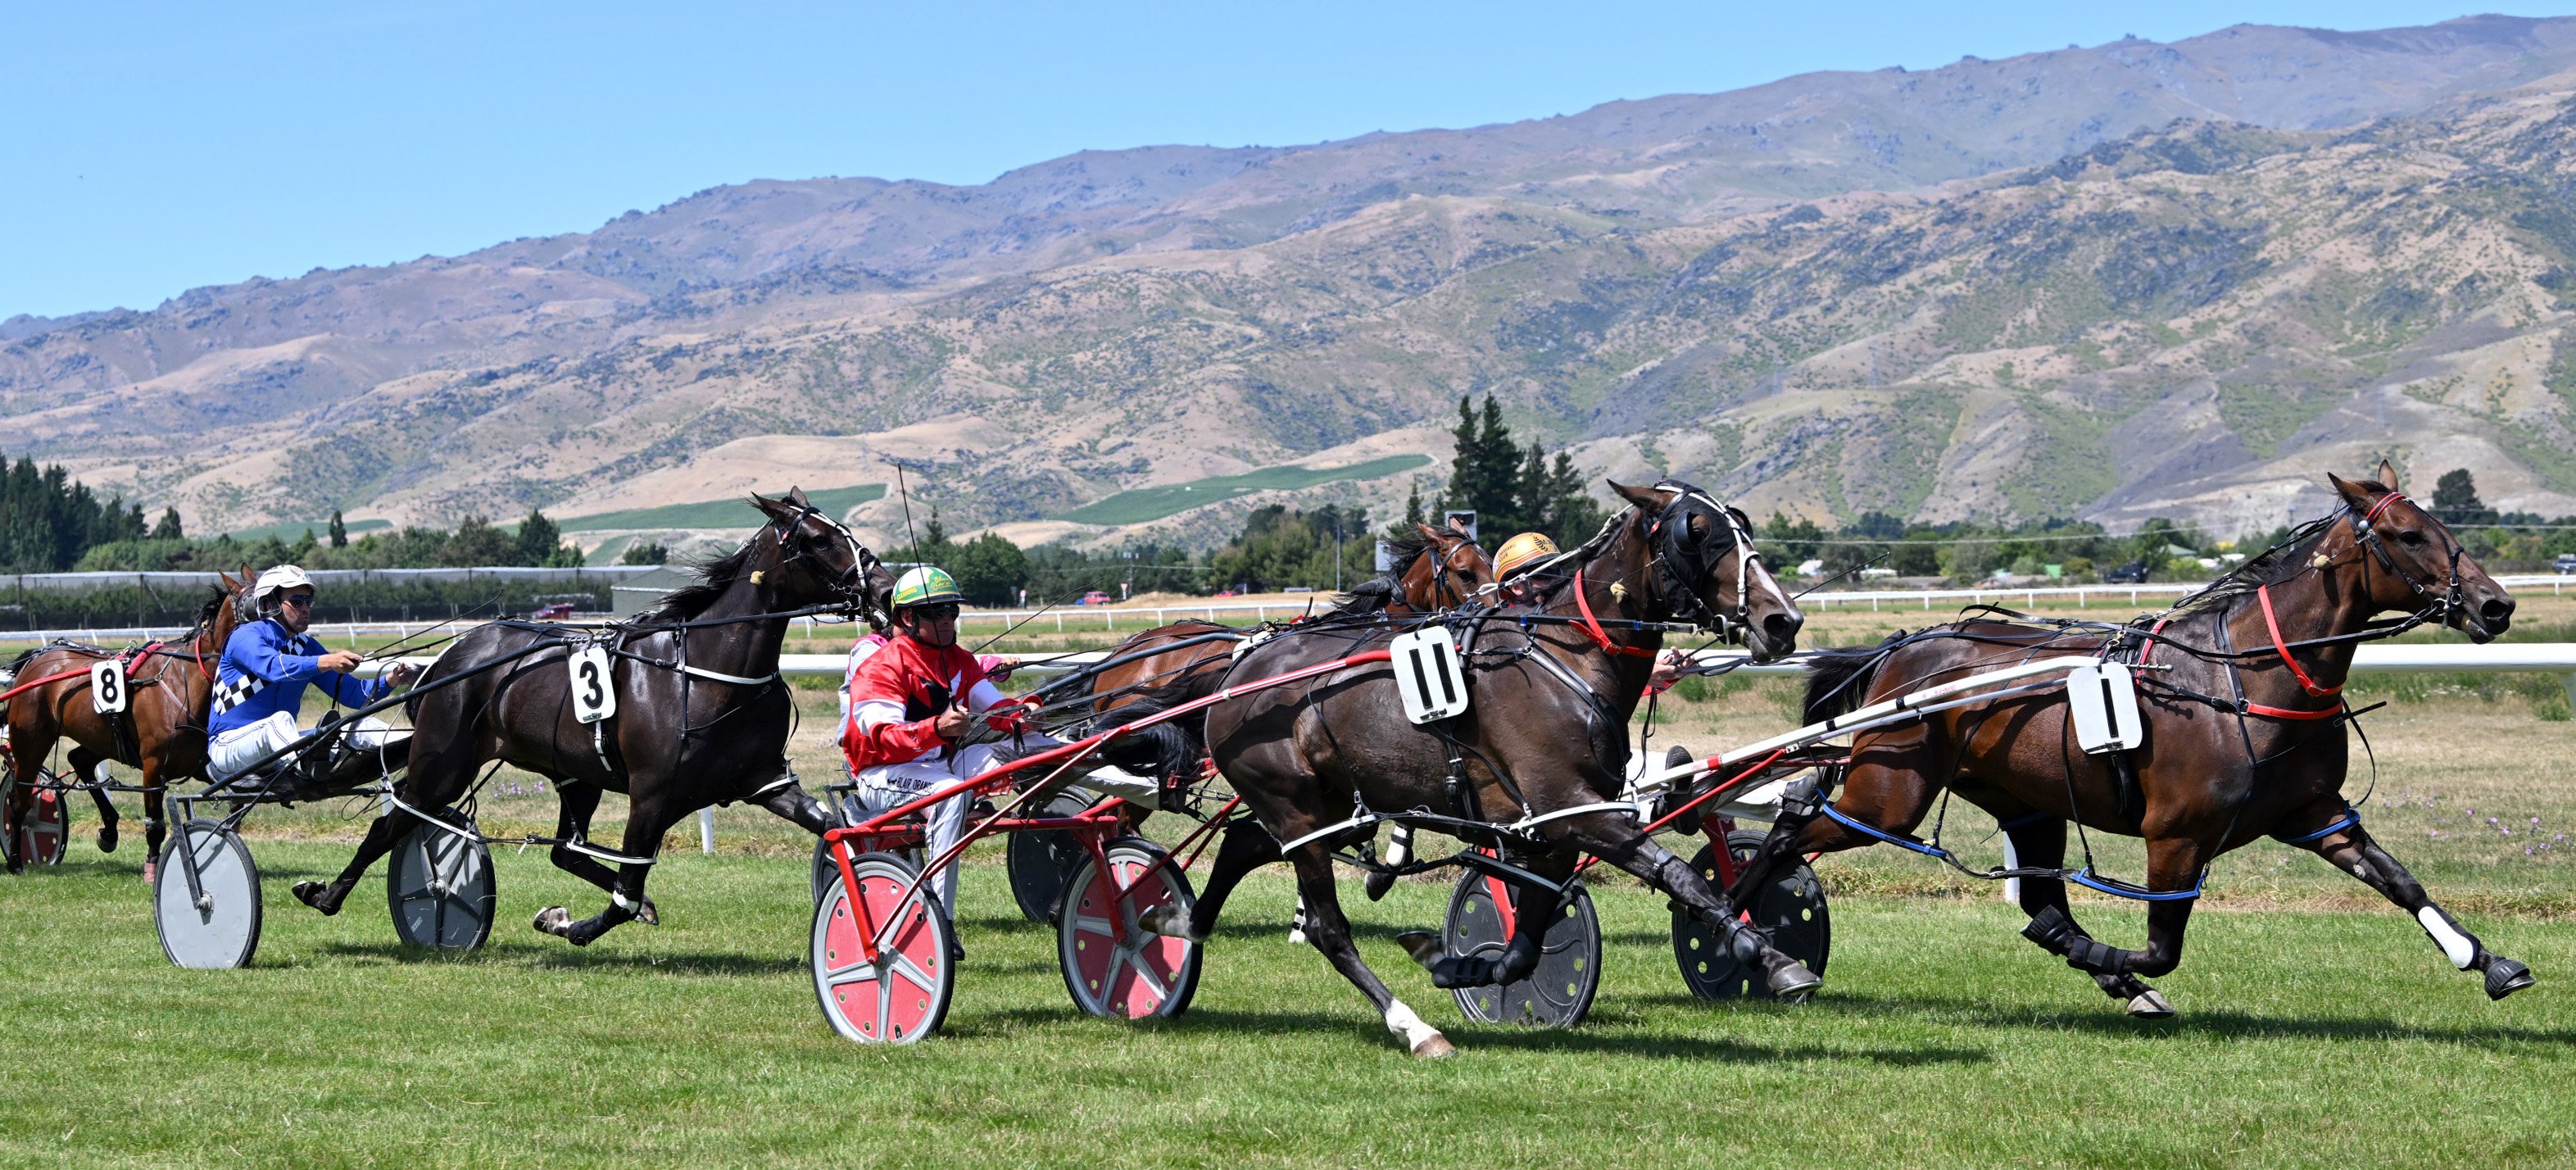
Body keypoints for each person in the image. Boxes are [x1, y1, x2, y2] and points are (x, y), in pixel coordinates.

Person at [841, 566, 1153, 918]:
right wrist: (937, 730)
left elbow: (997, 711)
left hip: (943, 766)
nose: (947, 619)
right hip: (882, 774)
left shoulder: (960, 660)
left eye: (952, 610)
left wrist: (1025, 714)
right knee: (952, 793)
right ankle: (939, 916)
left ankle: (1146, 788)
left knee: (1030, 747)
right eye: (936, 612)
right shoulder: (881, 667)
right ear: (908, 617)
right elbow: (879, 736)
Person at [206, 565, 420, 787]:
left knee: (365, 727)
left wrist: (390, 681)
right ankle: (306, 762)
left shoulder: (307, 647)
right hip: (228, 748)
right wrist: (327, 661)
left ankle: (424, 756)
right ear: (270, 604)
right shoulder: (244, 636)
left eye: (309, 601)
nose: (306, 608)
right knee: (278, 722)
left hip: (281, 751)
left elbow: (356, 696)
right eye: (297, 602)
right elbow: (272, 667)